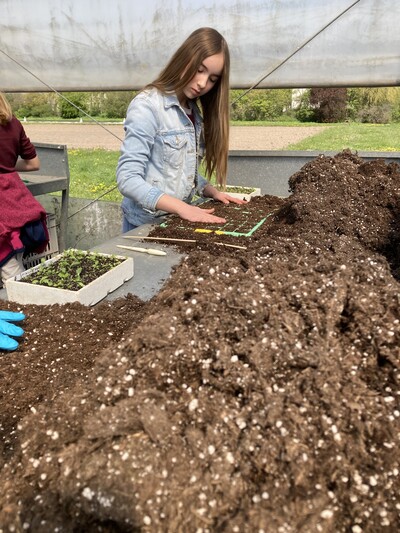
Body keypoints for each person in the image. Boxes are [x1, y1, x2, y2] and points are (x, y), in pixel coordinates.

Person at [116, 27, 246, 231]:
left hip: (176, 225)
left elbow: (177, 170)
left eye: (212, 79)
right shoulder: (148, 106)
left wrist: (209, 190)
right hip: (144, 227)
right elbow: (128, 178)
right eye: (199, 69)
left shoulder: (193, 113)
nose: (203, 83)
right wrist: (182, 208)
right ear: (185, 58)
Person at [0, 92, 48, 285]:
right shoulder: (13, 123)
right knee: (14, 254)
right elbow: (33, 163)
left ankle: (25, 306)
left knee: (10, 271)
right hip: (15, 197)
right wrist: (7, 167)